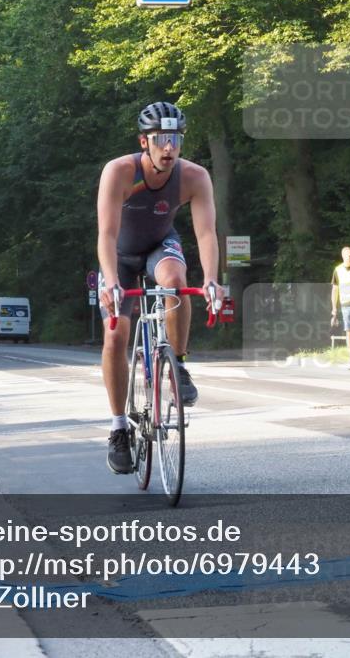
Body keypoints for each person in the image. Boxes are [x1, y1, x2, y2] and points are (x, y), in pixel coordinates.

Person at [97, 101, 223, 474]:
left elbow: (205, 233)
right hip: (118, 254)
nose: (169, 148)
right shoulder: (119, 172)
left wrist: (213, 280)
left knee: (175, 282)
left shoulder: (194, 176)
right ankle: (119, 427)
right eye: (160, 140)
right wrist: (111, 282)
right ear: (144, 141)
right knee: (114, 337)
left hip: (159, 246)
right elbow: (105, 233)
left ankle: (178, 364)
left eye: (175, 139)